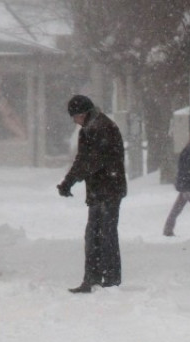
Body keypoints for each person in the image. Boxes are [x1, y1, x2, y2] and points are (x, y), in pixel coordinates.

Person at [56, 95, 127, 294]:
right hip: (101, 190)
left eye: (75, 116)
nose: (74, 121)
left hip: (108, 190)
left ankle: (109, 279)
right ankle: (94, 278)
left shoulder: (100, 128)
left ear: (83, 113)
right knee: (95, 234)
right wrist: (69, 181)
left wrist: (70, 181)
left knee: (105, 234)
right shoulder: (91, 128)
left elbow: (90, 161)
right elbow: (84, 160)